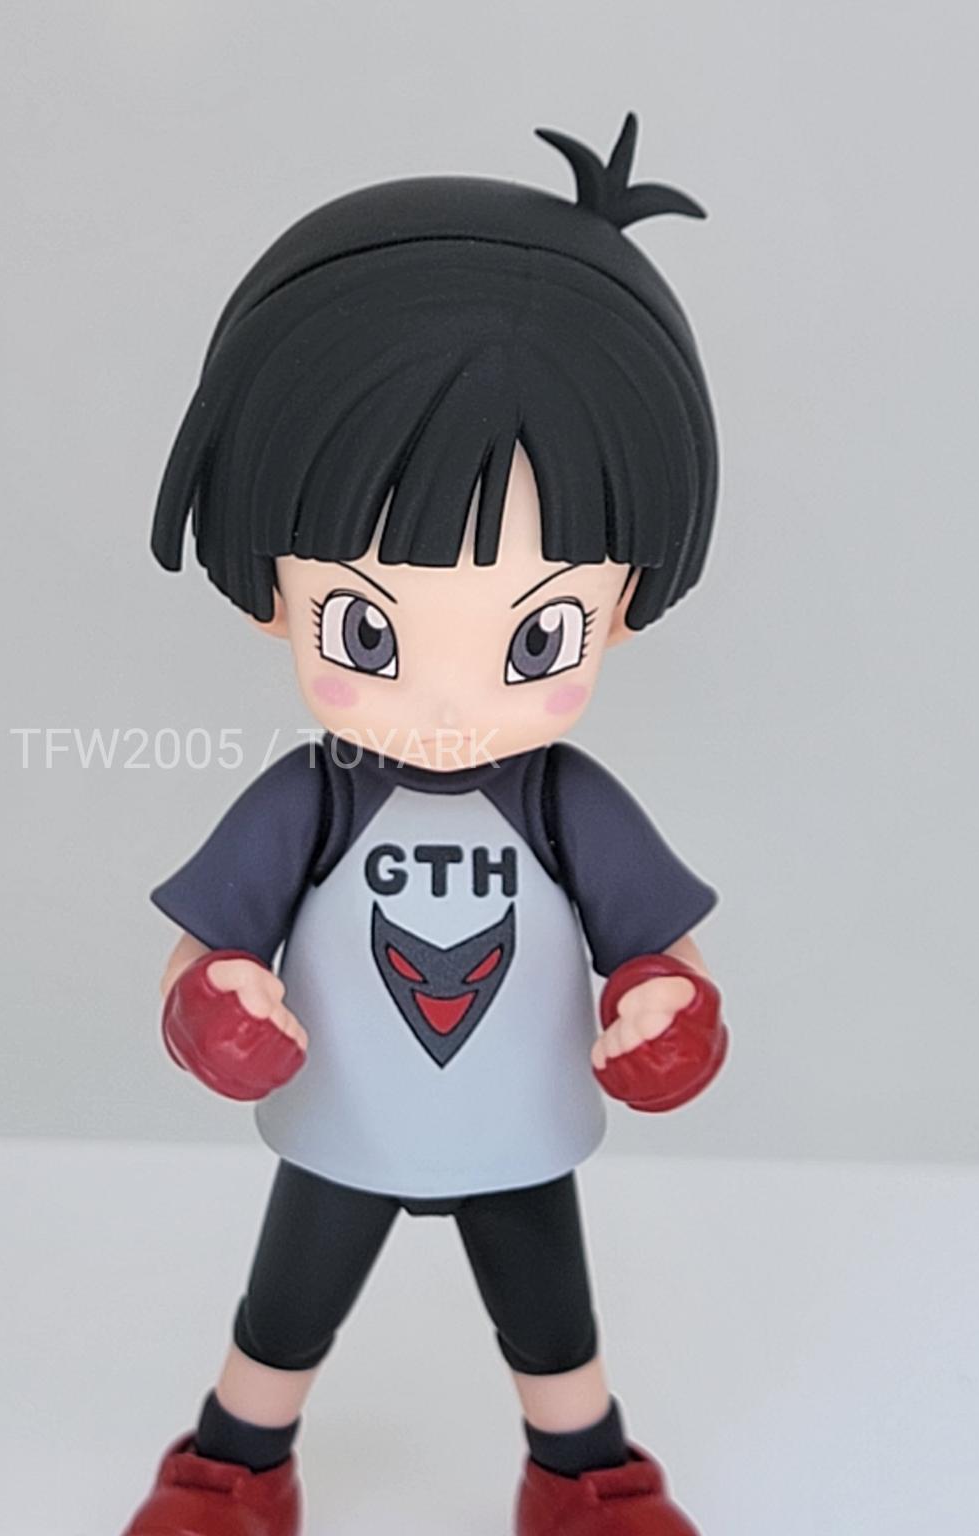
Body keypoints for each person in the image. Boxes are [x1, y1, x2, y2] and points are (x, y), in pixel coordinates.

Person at [126, 117, 729, 1536]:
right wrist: (214, 1013)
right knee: (283, 1318)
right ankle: (234, 1469)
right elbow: (201, 954)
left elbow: (665, 952)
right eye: (368, 630)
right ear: (270, 586)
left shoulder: (569, 805)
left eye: (537, 638)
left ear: (622, 604)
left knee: (553, 1326)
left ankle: (584, 1480)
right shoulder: (315, 797)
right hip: (343, 1120)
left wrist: (671, 1014)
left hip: (516, 1125)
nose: (451, 704)